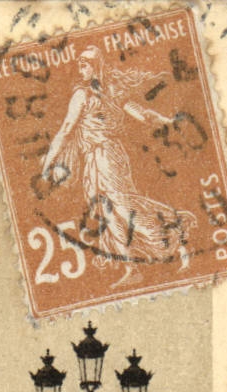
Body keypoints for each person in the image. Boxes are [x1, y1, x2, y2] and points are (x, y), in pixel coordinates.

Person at [41, 47, 194, 288]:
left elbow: (67, 128)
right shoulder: (109, 92)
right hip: (98, 158)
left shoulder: (85, 95)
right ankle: (131, 267)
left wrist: (49, 161)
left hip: (105, 156)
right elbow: (141, 114)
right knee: (107, 212)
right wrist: (167, 121)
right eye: (79, 65)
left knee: (121, 207)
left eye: (85, 65)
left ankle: (176, 231)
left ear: (96, 66)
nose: (80, 69)